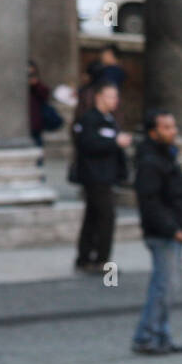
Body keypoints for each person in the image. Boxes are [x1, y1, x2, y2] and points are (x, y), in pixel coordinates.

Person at [132, 109, 182, 355]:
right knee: (164, 286)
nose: (173, 131)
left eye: (173, 126)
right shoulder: (150, 162)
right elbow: (150, 202)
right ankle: (146, 336)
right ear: (153, 132)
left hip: (173, 227)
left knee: (167, 286)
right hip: (163, 233)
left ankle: (161, 335)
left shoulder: (166, 156)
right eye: (167, 127)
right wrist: (172, 228)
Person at [71, 82, 131, 273]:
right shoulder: (90, 119)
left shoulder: (110, 119)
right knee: (106, 217)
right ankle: (101, 259)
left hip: (107, 175)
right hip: (95, 176)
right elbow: (88, 144)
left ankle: (85, 257)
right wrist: (115, 142)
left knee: (93, 216)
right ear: (99, 97)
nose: (114, 100)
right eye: (110, 96)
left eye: (116, 97)